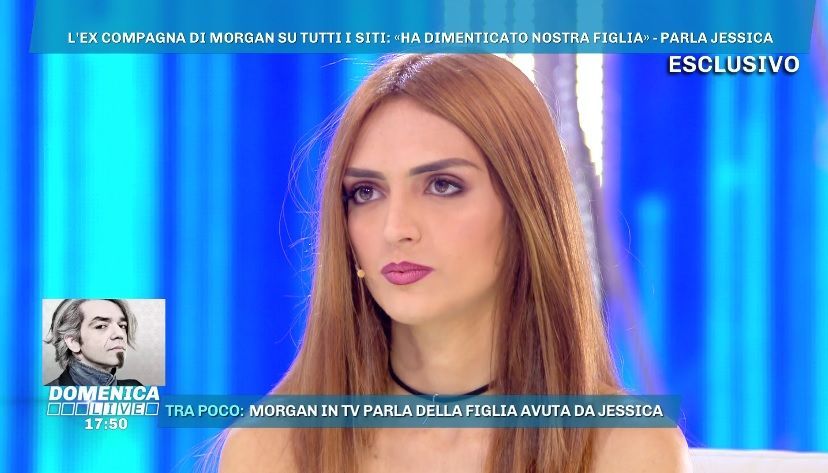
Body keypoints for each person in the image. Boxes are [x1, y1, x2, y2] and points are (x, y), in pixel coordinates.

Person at [220, 54, 690, 472]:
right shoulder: (271, 449)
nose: (396, 228)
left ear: (525, 209)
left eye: (442, 185)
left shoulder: (626, 449)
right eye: (366, 192)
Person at [44, 299, 142, 386]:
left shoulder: (136, 390)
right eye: (101, 326)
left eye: (122, 326)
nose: (120, 334)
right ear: (73, 341)